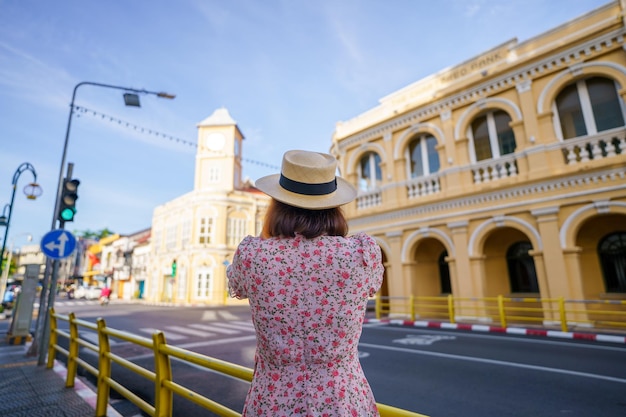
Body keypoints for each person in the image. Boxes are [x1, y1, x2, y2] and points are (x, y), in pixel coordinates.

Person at [227, 150, 384, 416]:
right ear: (333, 205)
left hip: (274, 402)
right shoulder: (360, 254)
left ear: (278, 204)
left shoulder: (253, 255)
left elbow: (237, 285)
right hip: (342, 400)